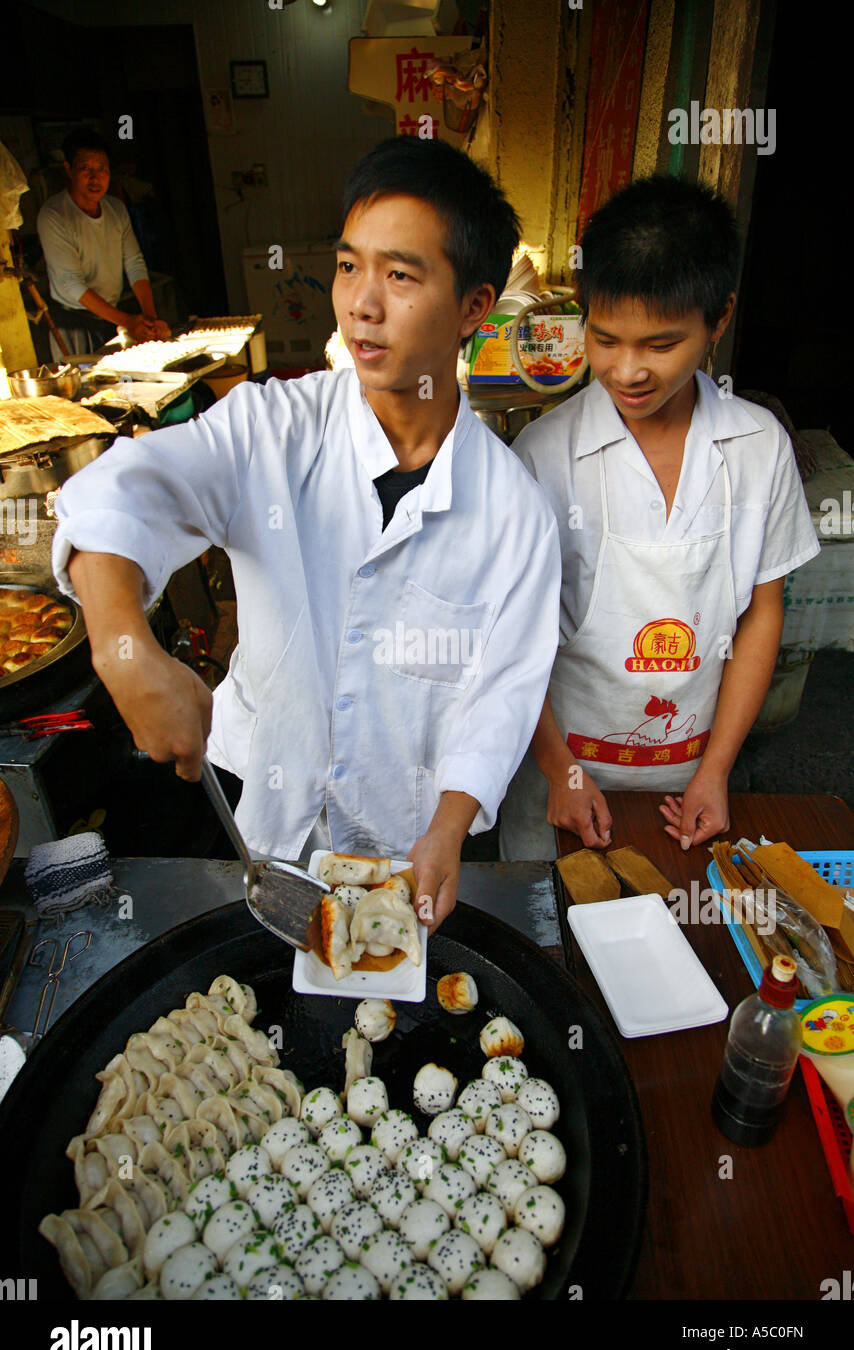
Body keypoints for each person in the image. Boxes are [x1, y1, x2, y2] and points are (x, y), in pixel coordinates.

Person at [52, 136, 561, 932]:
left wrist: (451, 826)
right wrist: (123, 646)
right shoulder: (272, 426)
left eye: (399, 275)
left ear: (473, 306)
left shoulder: (515, 514)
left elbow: (503, 696)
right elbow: (126, 490)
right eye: (350, 265)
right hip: (257, 819)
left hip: (407, 845)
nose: (361, 301)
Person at [499, 175, 820, 859]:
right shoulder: (543, 455)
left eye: (660, 344)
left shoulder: (757, 448)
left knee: (681, 938)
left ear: (720, 317)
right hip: (559, 776)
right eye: (606, 338)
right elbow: (506, 634)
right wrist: (562, 769)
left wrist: (716, 769)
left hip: (687, 785)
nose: (627, 370)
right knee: (552, 942)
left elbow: (762, 614)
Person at [36, 127, 169, 359]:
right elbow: (71, 284)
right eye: (86, 169)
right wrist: (128, 321)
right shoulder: (54, 215)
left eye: (102, 169)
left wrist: (150, 319)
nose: (95, 178)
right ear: (68, 169)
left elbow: (134, 263)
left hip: (110, 317)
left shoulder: (115, 209)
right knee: (86, 391)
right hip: (73, 323)